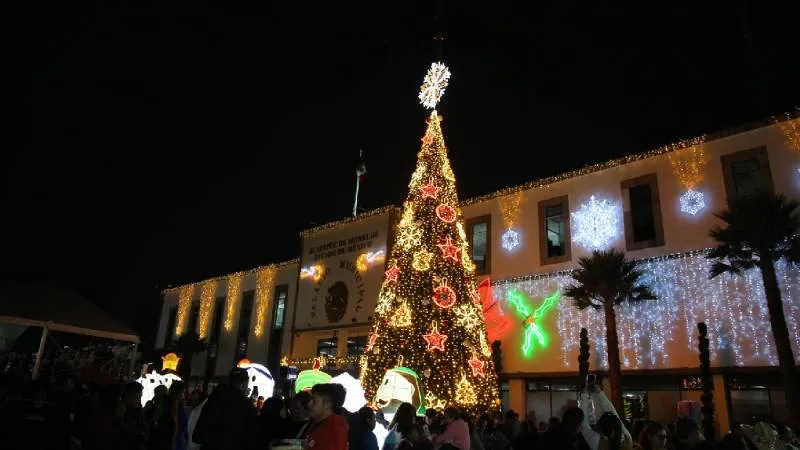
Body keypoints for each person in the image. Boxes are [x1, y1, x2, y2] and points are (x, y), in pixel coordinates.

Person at [193, 368, 259, 450]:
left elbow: (198, 433)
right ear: (243, 385)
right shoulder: (245, 406)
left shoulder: (214, 399)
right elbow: (250, 437)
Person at [304, 384, 349, 450]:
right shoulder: (319, 423)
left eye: (314, 401)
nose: (308, 404)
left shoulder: (335, 425)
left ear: (327, 404)